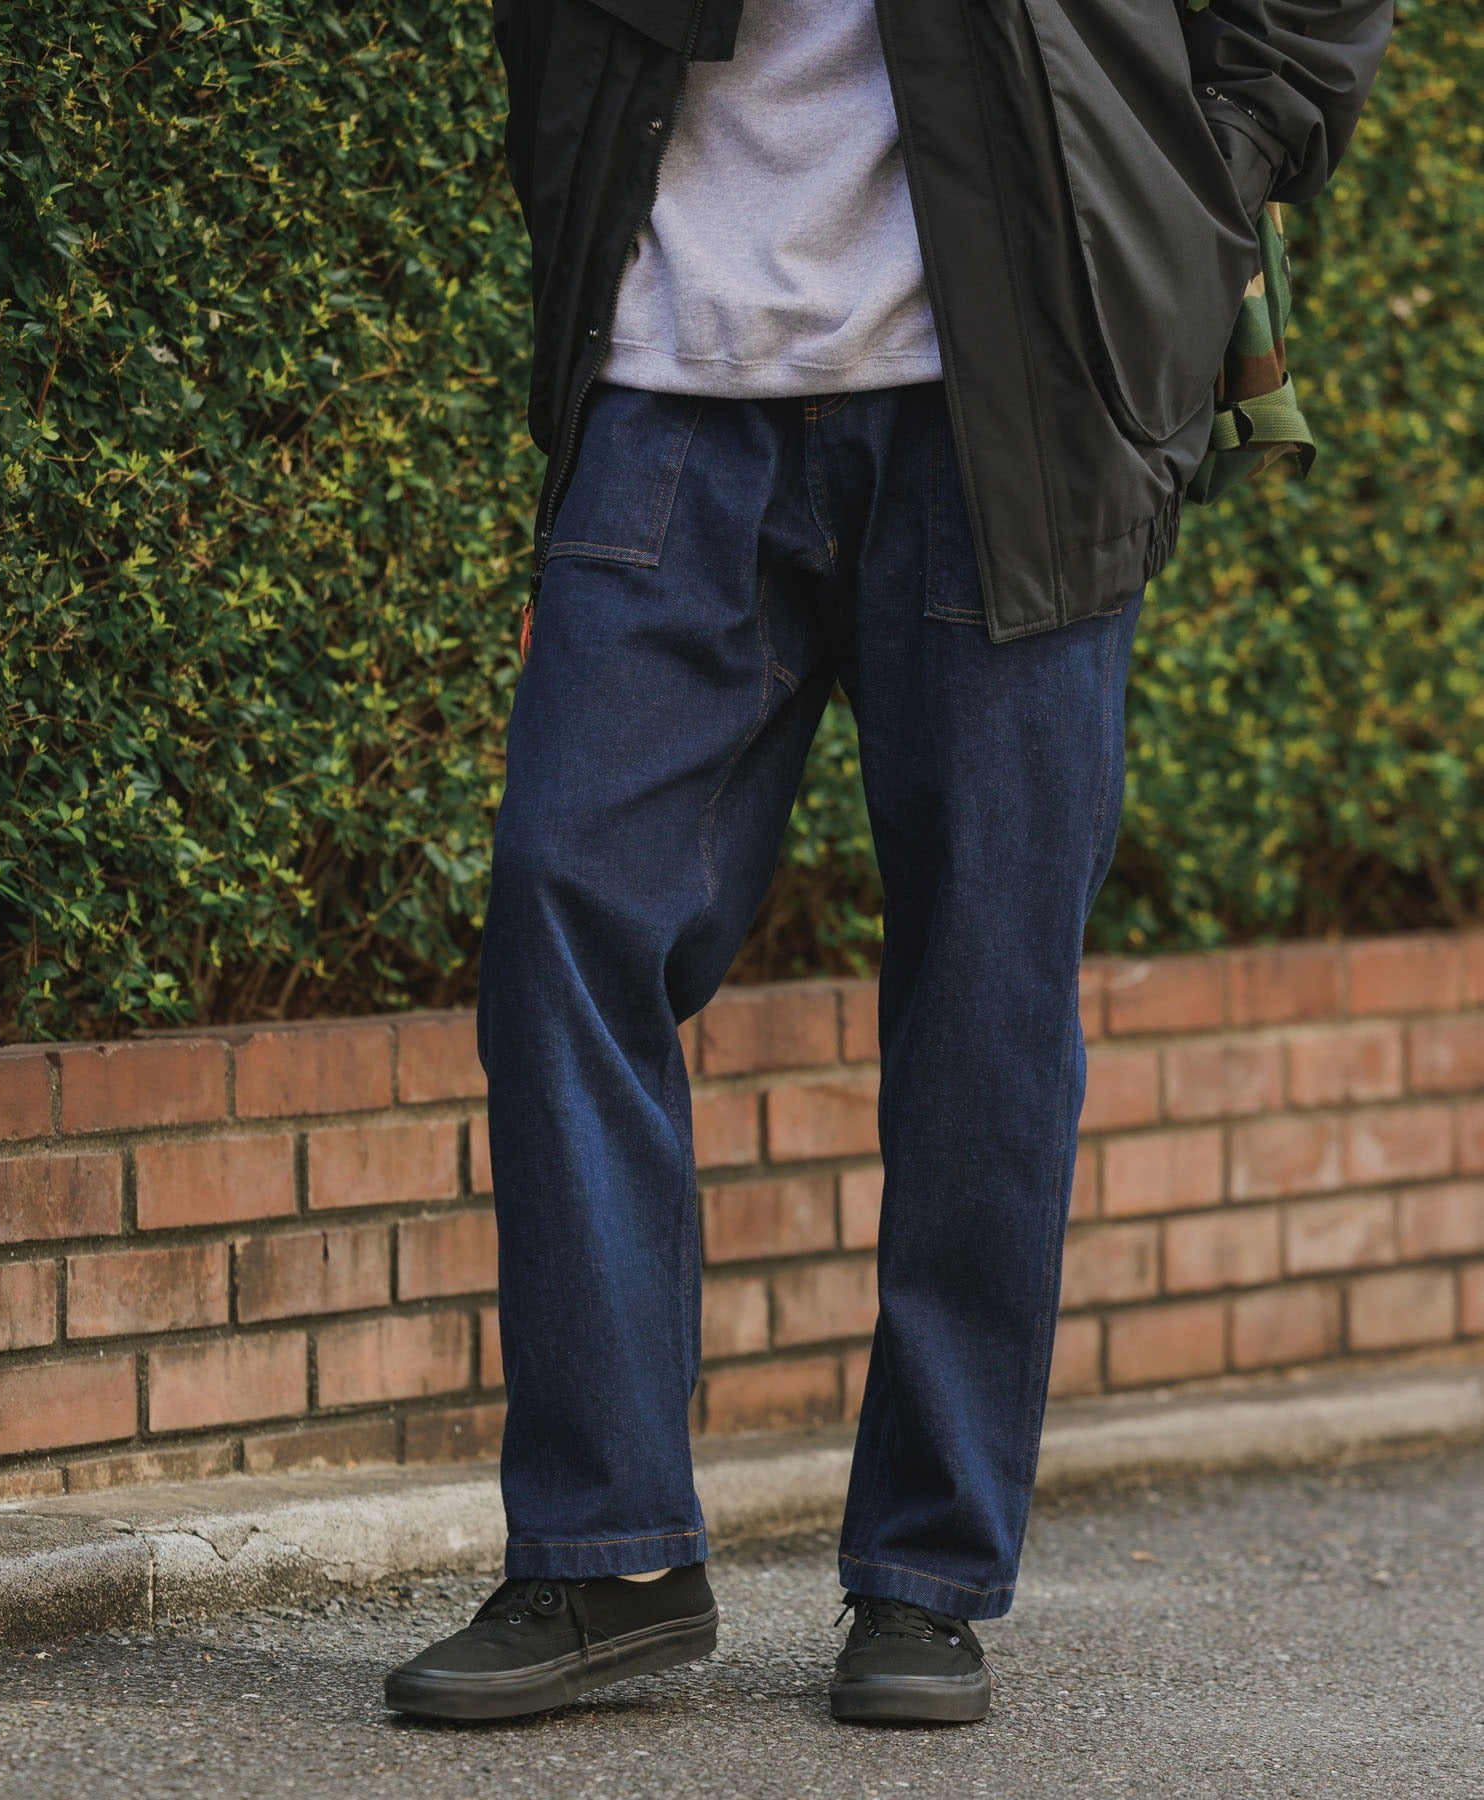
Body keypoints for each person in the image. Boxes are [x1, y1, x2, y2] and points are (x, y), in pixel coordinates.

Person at [384, 0, 1392, 1727]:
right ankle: (607, 1555)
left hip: (1017, 398)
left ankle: (928, 1575)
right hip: (669, 379)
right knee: (565, 899)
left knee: (989, 991)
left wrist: (1184, 202)